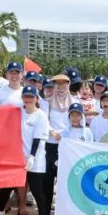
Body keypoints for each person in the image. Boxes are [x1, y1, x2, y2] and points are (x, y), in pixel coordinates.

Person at [0, 86, 48, 215]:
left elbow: (37, 138)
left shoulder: (41, 116)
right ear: (22, 98)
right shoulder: (18, 112)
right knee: (7, 183)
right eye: (26, 96)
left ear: (37, 99)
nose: (28, 99)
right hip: (17, 156)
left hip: (35, 158)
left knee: (37, 189)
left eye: (31, 96)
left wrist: (32, 156)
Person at [44, 73, 72, 206]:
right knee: (48, 179)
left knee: (64, 179)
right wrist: (52, 131)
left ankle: (61, 211)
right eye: (58, 86)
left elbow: (78, 121)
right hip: (50, 143)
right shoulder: (47, 102)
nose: (61, 89)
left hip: (67, 145)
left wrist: (65, 135)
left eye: (64, 86)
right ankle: (45, 211)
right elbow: (44, 120)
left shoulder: (74, 102)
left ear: (68, 86)